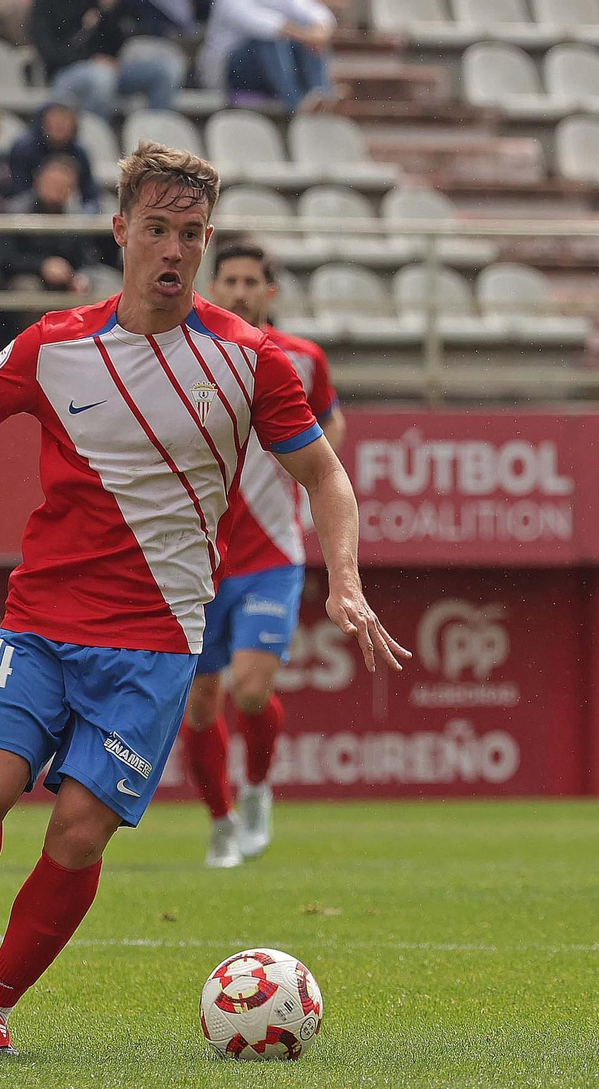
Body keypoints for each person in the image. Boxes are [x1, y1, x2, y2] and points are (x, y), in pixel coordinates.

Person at [0, 141, 406, 1055]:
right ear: (121, 232)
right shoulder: (57, 345)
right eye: (156, 230)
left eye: (190, 233)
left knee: (79, 829)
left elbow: (326, 478)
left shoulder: (250, 360)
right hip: (44, 624)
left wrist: (345, 579)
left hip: (157, 639)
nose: (173, 250)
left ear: (206, 240)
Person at [178, 240, 344, 868]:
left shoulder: (302, 360)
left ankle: (256, 789)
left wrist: (300, 470)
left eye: (252, 281)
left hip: (274, 554)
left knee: (249, 691)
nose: (241, 291)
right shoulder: (189, 355)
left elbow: (331, 433)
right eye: (230, 280)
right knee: (199, 703)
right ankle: (219, 821)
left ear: (270, 291)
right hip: (201, 560)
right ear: (213, 286)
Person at [30, 0, 185, 117]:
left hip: (110, 68)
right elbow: (48, 51)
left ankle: (155, 141)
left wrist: (108, 12)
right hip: (64, 72)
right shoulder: (47, 3)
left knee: (163, 72)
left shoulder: (98, 4)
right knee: (102, 78)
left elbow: (119, 43)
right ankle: (97, 137)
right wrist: (89, 60)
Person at [195, 0, 338, 115]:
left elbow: (318, 13)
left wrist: (319, 32)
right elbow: (266, 25)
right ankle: (296, 104)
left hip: (266, 74)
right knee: (269, 39)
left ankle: (320, 94)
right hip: (228, 73)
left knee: (313, 36)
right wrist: (307, 36)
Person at [0, 155, 96, 301]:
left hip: (66, 281)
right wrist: (42, 265)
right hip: (25, 278)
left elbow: (87, 257)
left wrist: (81, 276)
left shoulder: (76, 218)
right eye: (52, 183)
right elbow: (4, 259)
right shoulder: (15, 212)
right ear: (38, 181)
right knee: (28, 289)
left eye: (63, 186)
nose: (56, 190)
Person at [5, 99, 101, 213]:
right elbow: (17, 191)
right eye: (56, 120)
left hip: (70, 210)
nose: (60, 125)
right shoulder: (23, 149)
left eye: (65, 120)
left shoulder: (80, 153)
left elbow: (89, 194)